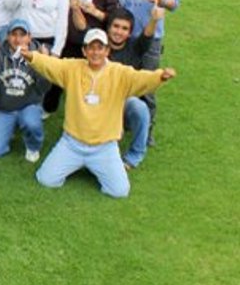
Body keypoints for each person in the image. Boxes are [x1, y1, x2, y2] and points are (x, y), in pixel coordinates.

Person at [23, 28, 176, 198]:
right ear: (84, 50)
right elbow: (50, 65)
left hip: (104, 147)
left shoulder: (119, 73)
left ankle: (94, 165)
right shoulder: (72, 68)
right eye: (91, 48)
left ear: (107, 51)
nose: (95, 52)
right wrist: (32, 56)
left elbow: (141, 79)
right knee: (46, 179)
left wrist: (160, 76)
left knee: (119, 191)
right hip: (72, 143)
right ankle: (81, 164)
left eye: (100, 48)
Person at [110, 0, 180, 144]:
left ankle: (147, 131)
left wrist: (163, 1)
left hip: (150, 40)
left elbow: (175, 1)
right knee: (120, 83)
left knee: (148, 86)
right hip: (124, 39)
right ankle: (119, 123)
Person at [43, 0, 119, 114]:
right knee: (59, 74)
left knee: (88, 78)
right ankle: (48, 107)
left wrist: (93, 11)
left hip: (92, 40)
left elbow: (113, 17)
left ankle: (85, 112)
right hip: (68, 34)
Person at [0, 20, 50, 162]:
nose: (18, 39)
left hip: (28, 106)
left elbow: (44, 88)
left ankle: (33, 146)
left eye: (22, 35)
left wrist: (43, 63)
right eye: (14, 35)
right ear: (7, 36)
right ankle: (8, 130)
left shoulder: (37, 54)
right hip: (5, 109)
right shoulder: (0, 52)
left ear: (29, 37)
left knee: (31, 123)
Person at [107, 5, 164, 169]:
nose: (119, 32)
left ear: (130, 33)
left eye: (124, 28)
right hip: (101, 101)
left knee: (138, 106)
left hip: (125, 101)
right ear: (109, 28)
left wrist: (154, 19)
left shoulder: (135, 47)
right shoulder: (99, 47)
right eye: (116, 26)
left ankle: (134, 156)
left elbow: (147, 36)